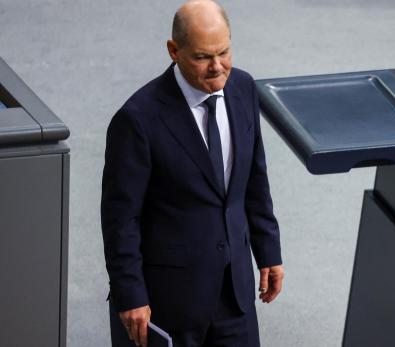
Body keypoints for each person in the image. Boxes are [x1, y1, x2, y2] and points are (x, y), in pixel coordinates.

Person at [101, 1, 284, 346]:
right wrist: (130, 294)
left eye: (224, 52)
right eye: (202, 57)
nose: (218, 67)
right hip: (170, 302)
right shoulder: (138, 120)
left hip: (235, 294)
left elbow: (254, 178)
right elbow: (120, 219)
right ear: (174, 50)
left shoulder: (243, 89)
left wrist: (268, 250)